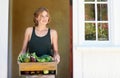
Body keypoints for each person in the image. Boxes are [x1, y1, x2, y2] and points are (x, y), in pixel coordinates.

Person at [18, 7, 60, 78]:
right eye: (42, 16)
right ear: (36, 18)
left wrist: (56, 55)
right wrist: (20, 58)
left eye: (46, 16)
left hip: (47, 69)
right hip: (31, 68)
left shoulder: (53, 33)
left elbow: (55, 51)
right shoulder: (29, 31)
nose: (45, 18)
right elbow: (24, 50)